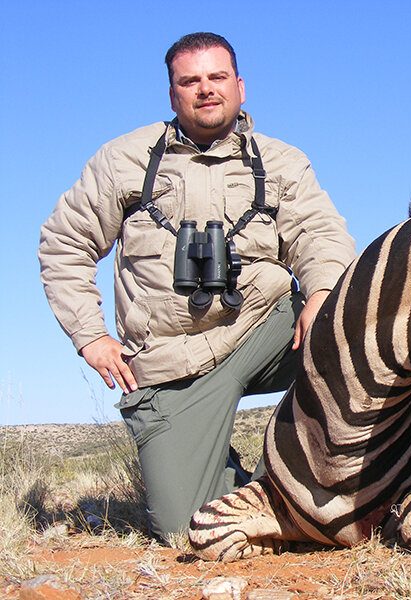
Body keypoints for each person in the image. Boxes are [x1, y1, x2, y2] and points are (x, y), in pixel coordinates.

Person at [38, 32, 356, 541]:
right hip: (171, 360)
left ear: (240, 86)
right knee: (185, 526)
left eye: (217, 77)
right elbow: (63, 242)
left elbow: (320, 235)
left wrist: (320, 296)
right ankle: (266, 485)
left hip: (264, 327)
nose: (205, 90)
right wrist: (90, 336)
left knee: (360, 335)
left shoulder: (281, 161)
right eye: (190, 81)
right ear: (172, 95)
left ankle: (390, 471)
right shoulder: (124, 159)